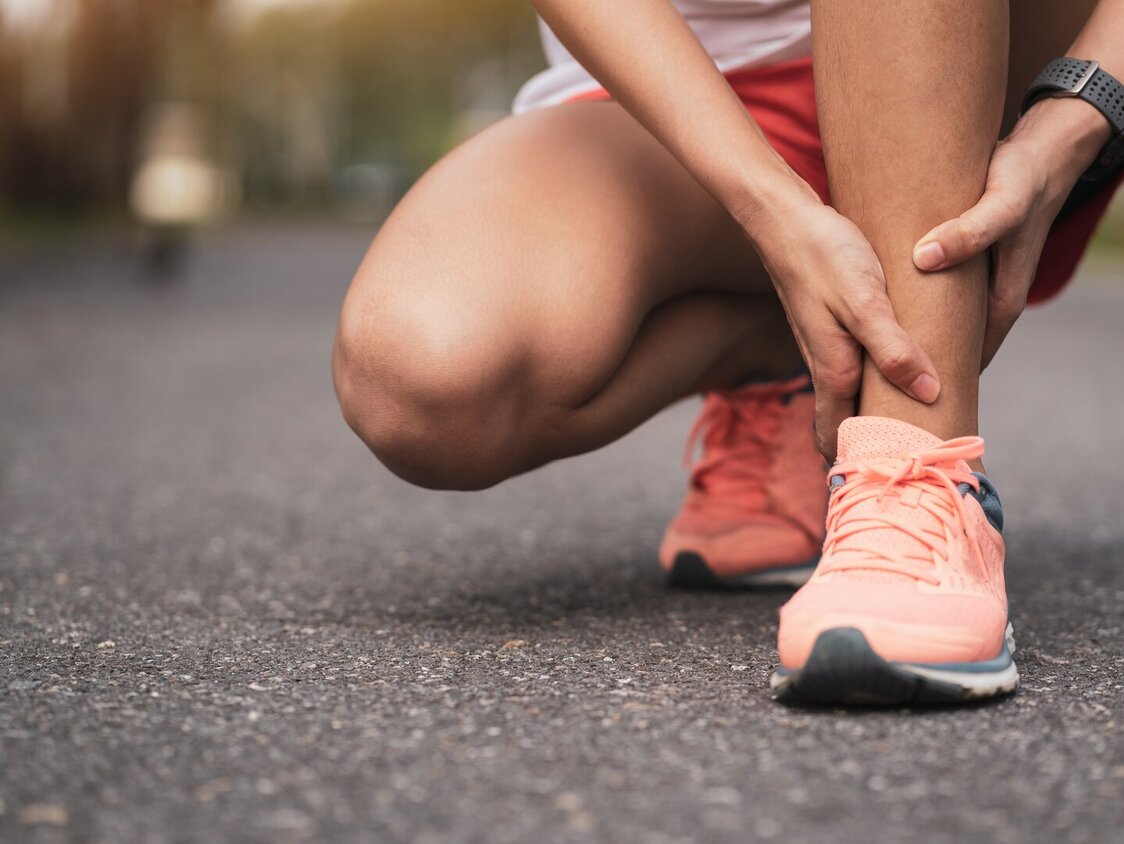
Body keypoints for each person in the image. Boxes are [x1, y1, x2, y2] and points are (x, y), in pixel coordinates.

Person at [332, 0, 1124, 704]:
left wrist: (1089, 104)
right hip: (681, 95)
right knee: (422, 379)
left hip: (981, 71)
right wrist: (767, 205)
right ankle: (791, 358)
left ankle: (915, 471)